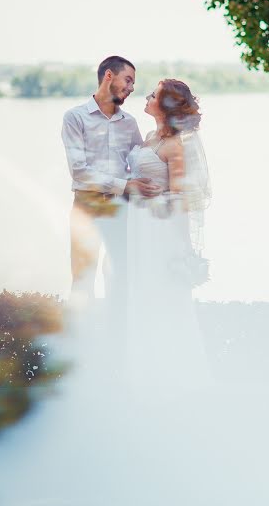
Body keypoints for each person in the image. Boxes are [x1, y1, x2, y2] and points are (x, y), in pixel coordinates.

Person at [61, 55, 159, 378]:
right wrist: (124, 184)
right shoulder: (74, 118)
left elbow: (139, 161)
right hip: (87, 206)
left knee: (120, 278)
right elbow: (79, 171)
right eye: (128, 80)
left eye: (132, 83)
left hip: (122, 210)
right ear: (108, 76)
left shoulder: (130, 124)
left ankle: (118, 353)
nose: (132, 88)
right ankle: (79, 354)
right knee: (82, 279)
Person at [126, 79, 211, 396]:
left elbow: (181, 201)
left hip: (160, 232)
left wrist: (183, 252)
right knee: (143, 296)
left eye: (153, 94)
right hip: (140, 226)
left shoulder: (176, 145)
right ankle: (147, 374)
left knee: (164, 298)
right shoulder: (150, 137)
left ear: (164, 105)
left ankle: (176, 379)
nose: (146, 97)